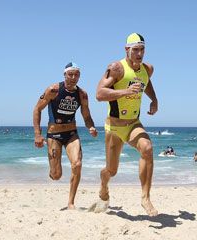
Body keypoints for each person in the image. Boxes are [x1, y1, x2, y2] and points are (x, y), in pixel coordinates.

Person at [92, 33, 158, 216]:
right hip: (114, 127)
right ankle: (103, 184)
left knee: (147, 148)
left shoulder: (148, 69)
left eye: (142, 49)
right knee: (111, 170)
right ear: (127, 49)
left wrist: (154, 100)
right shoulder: (116, 68)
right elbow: (99, 94)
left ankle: (145, 197)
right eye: (135, 50)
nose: (139, 54)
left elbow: (147, 82)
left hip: (133, 124)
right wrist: (125, 91)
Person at [33, 62, 98, 209]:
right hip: (54, 135)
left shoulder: (82, 94)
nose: (73, 77)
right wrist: (38, 134)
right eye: (70, 74)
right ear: (65, 75)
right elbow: (37, 109)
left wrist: (91, 127)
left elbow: (87, 116)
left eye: (76, 74)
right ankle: (53, 168)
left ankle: (71, 202)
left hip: (71, 134)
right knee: (56, 175)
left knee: (77, 164)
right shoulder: (53, 90)